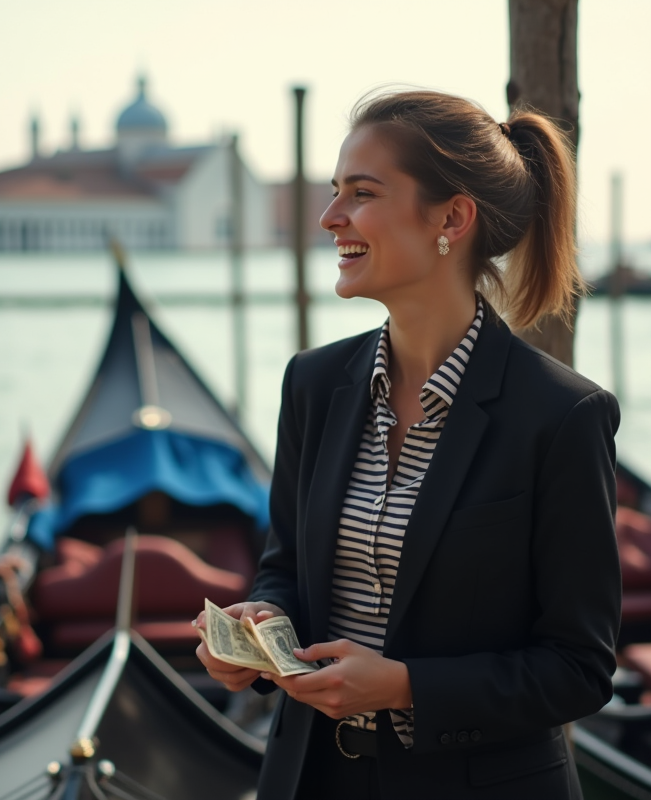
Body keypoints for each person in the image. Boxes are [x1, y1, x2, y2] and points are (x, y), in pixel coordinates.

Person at [195, 90, 621, 800]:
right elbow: (286, 569)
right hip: (309, 779)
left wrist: (403, 687)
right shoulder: (313, 383)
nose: (331, 218)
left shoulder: (563, 416)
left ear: (451, 218)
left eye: (361, 194)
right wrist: (263, 622)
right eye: (335, 194)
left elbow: (578, 667)